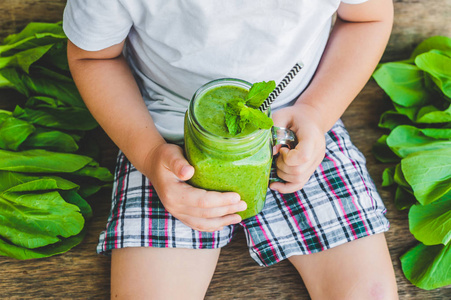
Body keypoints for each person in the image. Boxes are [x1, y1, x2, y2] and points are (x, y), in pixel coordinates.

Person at [63, 0, 398, 299]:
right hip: (161, 135)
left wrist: (317, 111)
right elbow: (93, 58)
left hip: (299, 122)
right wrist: (149, 156)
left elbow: (368, 18)